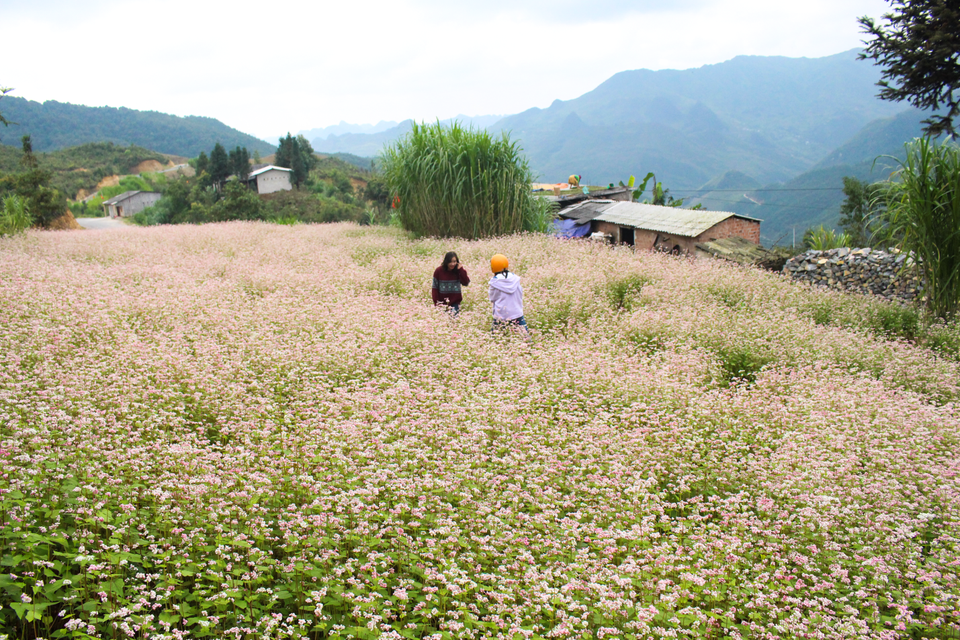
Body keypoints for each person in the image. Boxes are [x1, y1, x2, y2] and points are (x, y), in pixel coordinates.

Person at [488, 254, 529, 338]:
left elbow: (492, 298)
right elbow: (520, 293)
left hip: (501, 314)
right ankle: (530, 347)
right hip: (516, 312)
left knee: (495, 338)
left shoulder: (494, 283)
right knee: (525, 336)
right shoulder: (515, 279)